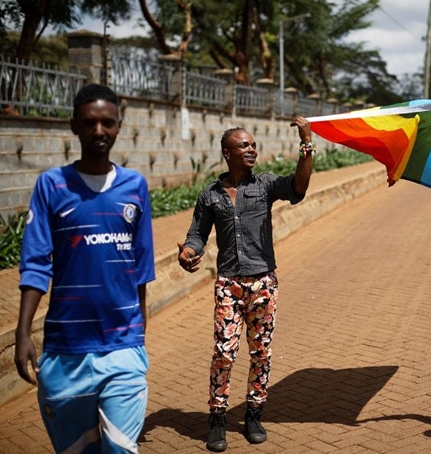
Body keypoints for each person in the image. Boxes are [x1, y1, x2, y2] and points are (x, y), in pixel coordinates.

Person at [14, 83, 156, 453]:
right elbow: (35, 264)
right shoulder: (52, 185)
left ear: (118, 126)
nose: (99, 131)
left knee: (121, 449)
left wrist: (139, 329)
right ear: (74, 125)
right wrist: (24, 333)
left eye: (107, 123)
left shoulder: (135, 186)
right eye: (90, 123)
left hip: (123, 347)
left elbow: (140, 265)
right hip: (66, 351)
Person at [177, 117, 315, 452]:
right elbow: (197, 234)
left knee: (261, 353)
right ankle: (217, 419)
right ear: (228, 153)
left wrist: (306, 143)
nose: (252, 149)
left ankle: (254, 413)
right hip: (228, 284)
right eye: (244, 145)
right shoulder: (209, 195)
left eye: (253, 144)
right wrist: (188, 251)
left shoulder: (265, 185)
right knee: (224, 352)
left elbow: (299, 187)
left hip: (263, 283)